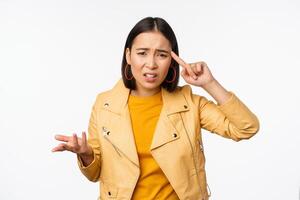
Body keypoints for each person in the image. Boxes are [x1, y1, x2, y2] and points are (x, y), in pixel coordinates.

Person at [52, 16, 260, 200]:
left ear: (172, 60)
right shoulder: (104, 104)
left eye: (161, 54)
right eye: (142, 53)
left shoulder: (190, 104)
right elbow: (95, 174)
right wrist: (86, 154)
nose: (151, 63)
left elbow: (246, 128)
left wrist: (209, 83)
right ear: (128, 55)